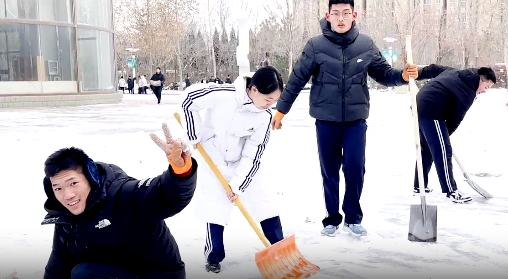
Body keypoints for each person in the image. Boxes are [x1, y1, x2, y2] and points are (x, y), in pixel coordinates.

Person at [270, 0, 420, 237]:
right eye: (336, 14)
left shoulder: (366, 44)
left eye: (346, 13)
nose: (341, 18)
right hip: (326, 119)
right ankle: (331, 219)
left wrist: (402, 75)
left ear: (354, 15)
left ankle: (353, 217)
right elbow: (297, 78)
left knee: (354, 166)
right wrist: (281, 110)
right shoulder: (315, 46)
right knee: (329, 170)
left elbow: (384, 74)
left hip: (355, 120)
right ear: (328, 16)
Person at [41, 125, 198, 279]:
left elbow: (167, 195)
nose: (67, 195)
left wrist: (181, 170)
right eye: (58, 188)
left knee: (83, 274)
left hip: (156, 274)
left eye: (73, 183)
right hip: (114, 273)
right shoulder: (66, 219)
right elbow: (58, 266)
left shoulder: (125, 195)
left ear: (91, 177)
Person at [180, 66, 284, 273]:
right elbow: (189, 99)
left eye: (274, 101)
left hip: (242, 165)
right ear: (254, 89)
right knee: (215, 208)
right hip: (214, 159)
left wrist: (238, 185)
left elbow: (253, 155)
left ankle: (279, 248)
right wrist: (194, 134)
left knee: (265, 202)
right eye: (268, 99)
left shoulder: (264, 117)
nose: (270, 105)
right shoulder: (223, 95)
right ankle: (213, 256)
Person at [411, 65, 497, 203]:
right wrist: (444, 137)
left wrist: (418, 74)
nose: (484, 91)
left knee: (426, 149)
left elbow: (434, 69)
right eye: (486, 87)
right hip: (431, 109)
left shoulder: (455, 71)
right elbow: (456, 119)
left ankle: (419, 186)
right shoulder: (468, 93)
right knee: (443, 151)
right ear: (481, 80)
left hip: (419, 103)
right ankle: (451, 191)